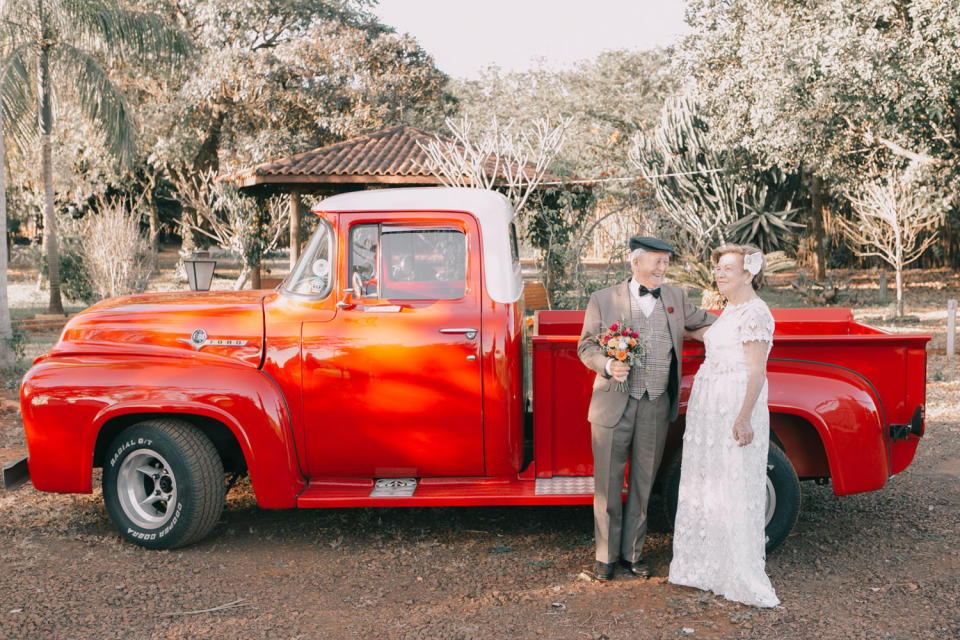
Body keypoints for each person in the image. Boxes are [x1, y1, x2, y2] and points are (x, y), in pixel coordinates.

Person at [578, 236, 716, 581]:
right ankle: (605, 558)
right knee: (608, 485)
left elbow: (704, 320)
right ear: (635, 262)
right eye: (656, 261)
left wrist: (746, 317)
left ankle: (633, 555)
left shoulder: (675, 297)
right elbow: (586, 346)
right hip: (614, 403)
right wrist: (608, 365)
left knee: (643, 484)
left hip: (656, 403)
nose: (662, 268)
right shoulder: (602, 299)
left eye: (666, 262)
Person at [668, 243, 780, 607]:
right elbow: (712, 336)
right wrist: (680, 331)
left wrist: (744, 416)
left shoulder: (756, 313)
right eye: (718, 268)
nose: (720, 274)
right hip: (709, 408)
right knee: (709, 479)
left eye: (727, 268)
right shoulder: (731, 311)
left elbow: (757, 371)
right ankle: (706, 565)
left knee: (733, 480)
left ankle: (735, 570)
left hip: (734, 404)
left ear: (748, 274)